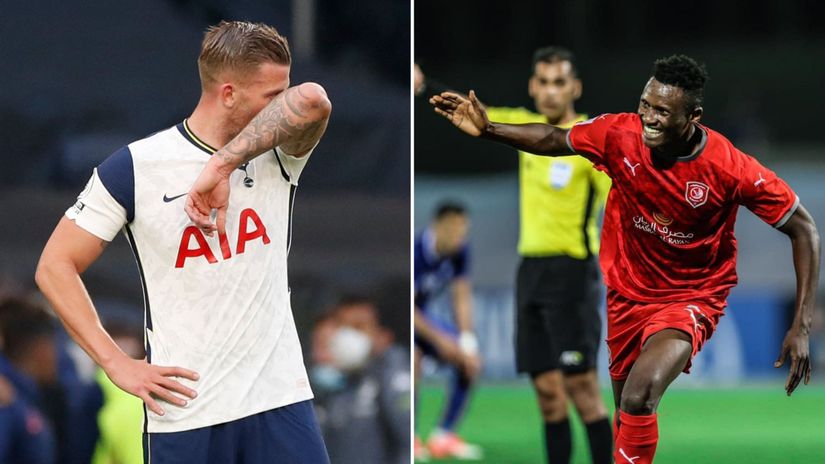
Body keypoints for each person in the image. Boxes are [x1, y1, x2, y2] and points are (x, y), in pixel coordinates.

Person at [430, 55, 820, 464]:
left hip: (691, 296)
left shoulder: (729, 168)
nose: (648, 117)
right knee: (626, 416)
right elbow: (553, 139)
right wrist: (490, 129)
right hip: (627, 295)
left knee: (639, 394)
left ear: (693, 116)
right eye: (645, 104)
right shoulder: (618, 134)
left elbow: (804, 229)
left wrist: (802, 323)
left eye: (662, 111)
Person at [35, 20, 332, 464]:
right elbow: (54, 266)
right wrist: (116, 363)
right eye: (272, 96)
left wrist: (222, 165)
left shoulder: (277, 151)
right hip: (187, 411)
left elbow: (312, 99)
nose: (281, 105)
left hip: (279, 399)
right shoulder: (136, 167)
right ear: (228, 93)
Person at [417, 47, 613, 464]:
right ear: (531, 85)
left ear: (575, 87)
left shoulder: (590, 139)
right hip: (531, 273)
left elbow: (621, 200)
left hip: (573, 274)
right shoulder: (523, 125)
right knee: (547, 395)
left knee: (582, 390)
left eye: (559, 81)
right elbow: (477, 114)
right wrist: (426, 87)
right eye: (542, 81)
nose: (550, 90)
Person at [413, 202, 483, 461]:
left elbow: (461, 296)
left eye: (463, 230)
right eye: (454, 230)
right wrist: (441, 340)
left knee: (470, 361)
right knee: (414, 361)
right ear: (438, 226)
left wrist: (466, 341)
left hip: (424, 319)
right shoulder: (416, 250)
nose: (459, 237)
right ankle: (412, 438)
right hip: (409, 319)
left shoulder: (460, 251)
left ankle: (443, 436)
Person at [311, 296, 411, 464]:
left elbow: (407, 440)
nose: (348, 336)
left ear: (382, 336)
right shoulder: (334, 383)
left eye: (358, 327)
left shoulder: (392, 374)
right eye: (343, 327)